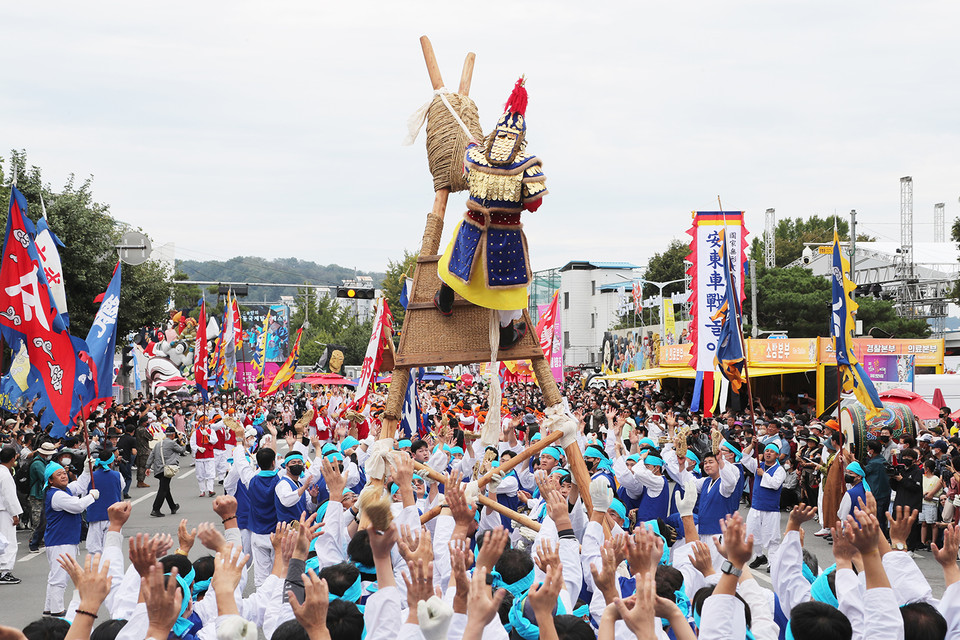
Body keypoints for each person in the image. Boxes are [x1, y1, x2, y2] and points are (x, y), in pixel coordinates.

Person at [434, 77, 547, 349]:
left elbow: (467, 171)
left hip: (472, 228)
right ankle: (506, 332)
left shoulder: (475, 158)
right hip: (505, 237)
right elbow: (534, 204)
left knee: (454, 257)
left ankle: (445, 299)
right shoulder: (527, 166)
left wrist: (473, 147)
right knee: (509, 284)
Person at [41, 460, 96, 616]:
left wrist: (86, 470)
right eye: (58, 475)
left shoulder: (63, 490)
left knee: (55, 575)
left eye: (64, 473)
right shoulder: (57, 494)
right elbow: (77, 506)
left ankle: (49, 608)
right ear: (50, 480)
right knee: (60, 577)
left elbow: (78, 486)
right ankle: (57, 610)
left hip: (62, 539)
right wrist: (91, 496)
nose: (64, 476)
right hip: (60, 540)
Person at [741, 442, 785, 569]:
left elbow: (775, 484)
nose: (768, 453)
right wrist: (752, 445)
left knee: (772, 537)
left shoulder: (779, 470)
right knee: (751, 533)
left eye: (772, 451)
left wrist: (763, 474)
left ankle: (773, 562)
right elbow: (744, 457)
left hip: (771, 509)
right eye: (766, 451)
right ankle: (760, 556)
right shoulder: (758, 465)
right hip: (756, 506)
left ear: (777, 455)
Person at [85, 448, 123, 554]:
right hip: (113, 516)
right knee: (112, 547)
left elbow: (85, 493)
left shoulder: (91, 476)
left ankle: (95, 568)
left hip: (95, 515)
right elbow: (121, 488)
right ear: (111, 462)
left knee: (94, 548)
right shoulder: (117, 475)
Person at [146, 425, 184, 518]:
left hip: (158, 469)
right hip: (167, 469)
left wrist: (147, 467)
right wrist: (181, 441)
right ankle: (156, 509)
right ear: (173, 434)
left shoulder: (158, 444)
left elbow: (151, 455)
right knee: (163, 489)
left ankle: (173, 506)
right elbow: (182, 450)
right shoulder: (172, 443)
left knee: (166, 488)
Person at [28, 441, 58, 552]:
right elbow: (45, 477)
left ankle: (39, 540)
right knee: (37, 519)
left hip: (42, 493)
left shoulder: (44, 462)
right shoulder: (37, 464)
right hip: (36, 494)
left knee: (42, 518)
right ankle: (33, 539)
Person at [892, 447, 923, 551]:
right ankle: (897, 545)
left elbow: (915, 487)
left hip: (912, 505)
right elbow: (894, 487)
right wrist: (893, 478)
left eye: (909, 457)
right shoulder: (901, 470)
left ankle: (910, 549)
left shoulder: (917, 471)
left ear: (914, 459)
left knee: (911, 528)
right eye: (904, 456)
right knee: (896, 526)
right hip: (899, 502)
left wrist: (902, 480)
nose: (906, 459)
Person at [0, 446, 22, 584]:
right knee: (8, 541)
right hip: (4, 510)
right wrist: (15, 514)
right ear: (13, 458)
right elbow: (9, 497)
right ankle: (5, 572)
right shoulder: (5, 475)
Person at [863, 438, 892, 535]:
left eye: (868, 449)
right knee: (882, 519)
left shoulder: (874, 463)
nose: (867, 451)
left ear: (871, 450)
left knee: (877, 519)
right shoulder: (882, 460)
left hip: (877, 495)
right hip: (885, 494)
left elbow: (863, 472)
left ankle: (879, 539)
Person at [191, 416, 218, 497]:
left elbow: (215, 441)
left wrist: (208, 435)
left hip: (209, 455)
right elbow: (192, 443)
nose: (206, 422)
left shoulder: (211, 431)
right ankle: (202, 490)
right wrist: (198, 448)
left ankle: (210, 489)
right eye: (204, 421)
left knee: (210, 473)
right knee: (200, 474)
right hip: (200, 456)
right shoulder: (196, 432)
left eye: (207, 421)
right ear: (200, 422)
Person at [115, 423, 137, 499]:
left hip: (118, 459)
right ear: (133, 431)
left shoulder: (121, 438)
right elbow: (134, 452)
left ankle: (119, 492)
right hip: (126, 460)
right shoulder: (132, 439)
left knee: (120, 477)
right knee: (128, 477)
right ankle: (125, 492)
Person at [134, 416, 153, 487]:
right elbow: (150, 437)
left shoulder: (137, 429)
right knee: (143, 466)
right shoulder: (142, 430)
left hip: (139, 449)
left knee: (139, 466)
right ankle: (141, 481)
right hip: (144, 450)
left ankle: (139, 480)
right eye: (146, 422)